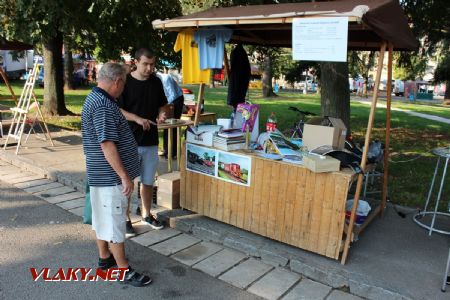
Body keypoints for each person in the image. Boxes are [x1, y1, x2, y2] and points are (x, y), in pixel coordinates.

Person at [81, 62, 152, 287]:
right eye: (124, 84)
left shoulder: (97, 98)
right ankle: (123, 270)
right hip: (110, 177)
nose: (123, 89)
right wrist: (124, 175)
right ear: (118, 81)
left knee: (103, 219)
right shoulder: (103, 105)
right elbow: (107, 144)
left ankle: (105, 260)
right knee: (114, 222)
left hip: (100, 174)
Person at [118, 48, 167, 234]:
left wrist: (162, 114)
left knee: (148, 181)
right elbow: (118, 109)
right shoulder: (126, 82)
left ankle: (146, 214)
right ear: (136, 62)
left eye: (152, 64)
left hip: (151, 141)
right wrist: (137, 118)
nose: (149, 68)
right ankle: (125, 218)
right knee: (128, 182)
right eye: (145, 64)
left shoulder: (156, 81)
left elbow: (163, 105)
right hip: (129, 140)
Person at [156, 71, 184, 158]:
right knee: (165, 125)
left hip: (176, 100)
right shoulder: (156, 80)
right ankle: (166, 150)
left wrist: (162, 105)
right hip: (168, 102)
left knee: (173, 126)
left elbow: (172, 96)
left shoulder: (166, 78)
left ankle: (173, 152)